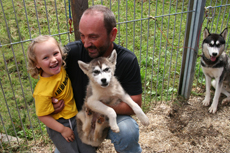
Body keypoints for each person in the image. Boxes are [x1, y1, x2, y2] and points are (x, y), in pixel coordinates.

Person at [53, 5, 143, 153]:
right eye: (82, 35)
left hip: (112, 118)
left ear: (112, 34)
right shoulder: (71, 54)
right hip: (80, 120)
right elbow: (47, 77)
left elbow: (136, 102)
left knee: (128, 131)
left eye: (93, 37)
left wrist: (101, 107)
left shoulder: (127, 60)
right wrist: (53, 101)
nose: (86, 43)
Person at [27, 35, 80, 153]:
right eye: (46, 57)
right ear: (37, 63)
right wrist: (62, 129)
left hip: (75, 117)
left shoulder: (61, 69)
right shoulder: (42, 91)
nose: (53, 60)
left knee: (88, 149)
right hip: (59, 124)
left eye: (56, 53)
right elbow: (42, 115)